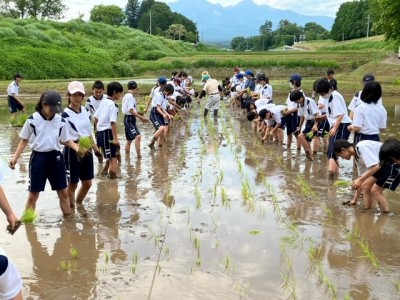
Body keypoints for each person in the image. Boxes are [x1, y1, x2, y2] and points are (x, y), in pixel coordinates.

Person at [9, 91, 80, 216]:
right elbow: (24, 140)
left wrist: (77, 148)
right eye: (51, 108)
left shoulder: (61, 120)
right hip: (38, 159)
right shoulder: (32, 120)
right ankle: (28, 223)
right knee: (33, 195)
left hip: (56, 158)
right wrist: (15, 157)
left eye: (56, 109)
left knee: (63, 193)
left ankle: (69, 224)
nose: (54, 111)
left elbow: (65, 140)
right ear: (44, 104)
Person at [62, 81, 100, 208]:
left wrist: (95, 149)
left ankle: (78, 203)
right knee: (73, 183)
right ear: (69, 95)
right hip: (72, 151)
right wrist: (77, 148)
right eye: (75, 95)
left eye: (80, 95)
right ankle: (70, 209)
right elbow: (64, 138)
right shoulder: (65, 115)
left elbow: (88, 132)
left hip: (87, 148)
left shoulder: (85, 111)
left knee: (88, 183)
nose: (78, 98)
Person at [335, 138, 400, 213]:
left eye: (339, 155)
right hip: (383, 165)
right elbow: (361, 178)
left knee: (375, 190)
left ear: (343, 150)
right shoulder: (357, 157)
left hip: (393, 163)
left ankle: (385, 214)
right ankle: (368, 210)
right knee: (366, 185)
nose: (342, 158)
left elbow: (377, 165)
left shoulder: (362, 146)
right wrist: (355, 199)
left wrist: (361, 180)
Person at [315, 78, 351, 179]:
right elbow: (332, 114)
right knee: (333, 151)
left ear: (328, 90)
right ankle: (335, 174)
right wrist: (321, 118)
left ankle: (331, 176)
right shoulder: (330, 97)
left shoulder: (335, 97)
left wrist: (335, 128)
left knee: (332, 151)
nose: (322, 96)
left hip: (341, 125)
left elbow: (340, 114)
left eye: (322, 94)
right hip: (337, 125)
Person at [94, 82, 123, 179]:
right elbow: (113, 123)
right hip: (107, 133)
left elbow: (96, 118)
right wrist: (115, 138)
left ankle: (103, 174)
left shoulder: (103, 102)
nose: (120, 95)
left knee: (110, 156)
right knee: (114, 159)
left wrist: (96, 131)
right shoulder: (113, 105)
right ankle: (112, 181)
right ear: (115, 92)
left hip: (100, 133)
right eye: (120, 93)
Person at [289, 90, 320, 160]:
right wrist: (299, 127)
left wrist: (315, 125)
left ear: (301, 97)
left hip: (315, 121)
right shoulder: (299, 104)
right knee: (307, 140)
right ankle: (311, 157)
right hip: (309, 122)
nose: (296, 102)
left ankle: (308, 154)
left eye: (296, 101)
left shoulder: (309, 102)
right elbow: (302, 116)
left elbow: (317, 114)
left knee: (301, 136)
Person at [121, 81, 149, 158]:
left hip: (129, 118)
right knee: (138, 136)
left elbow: (132, 110)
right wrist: (141, 117)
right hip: (129, 119)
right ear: (136, 88)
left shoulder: (127, 96)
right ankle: (139, 156)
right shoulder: (130, 97)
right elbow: (131, 110)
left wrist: (140, 116)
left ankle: (127, 158)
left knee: (129, 140)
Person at [85, 80, 107, 164]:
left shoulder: (107, 98)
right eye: (96, 92)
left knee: (110, 143)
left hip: (107, 123)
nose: (98, 94)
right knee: (99, 142)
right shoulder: (89, 101)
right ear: (92, 90)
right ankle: (100, 161)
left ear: (103, 91)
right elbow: (87, 116)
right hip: (97, 124)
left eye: (100, 92)